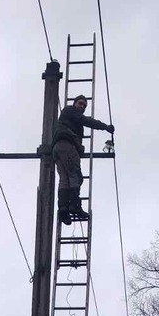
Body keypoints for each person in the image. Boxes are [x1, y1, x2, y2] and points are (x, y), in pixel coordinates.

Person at [53, 94, 114, 225]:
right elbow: (86, 121)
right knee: (76, 177)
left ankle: (63, 209)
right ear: (74, 103)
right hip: (68, 145)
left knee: (65, 179)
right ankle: (74, 206)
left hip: (58, 148)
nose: (82, 106)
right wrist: (105, 127)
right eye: (80, 103)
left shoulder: (70, 118)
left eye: (84, 105)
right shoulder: (70, 111)